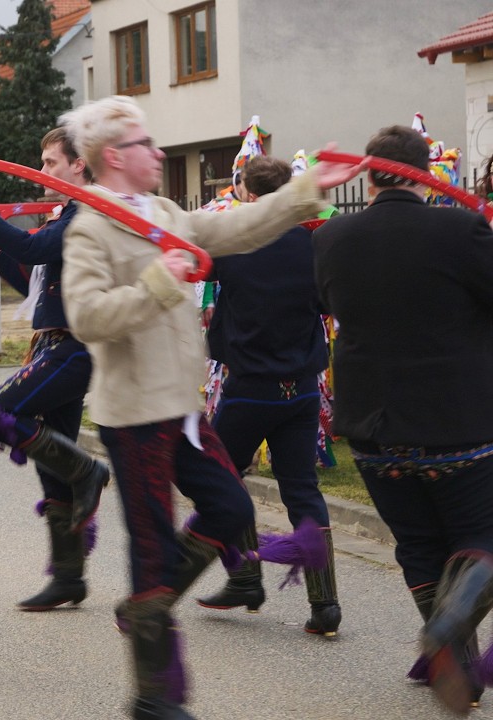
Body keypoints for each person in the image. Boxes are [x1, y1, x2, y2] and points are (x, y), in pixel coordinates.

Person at [61, 96, 363, 720]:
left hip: (184, 409)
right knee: (150, 546)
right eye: (147, 144)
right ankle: (153, 695)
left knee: (227, 507)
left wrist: (308, 190)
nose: (159, 152)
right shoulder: (90, 227)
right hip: (134, 415)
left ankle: (149, 600)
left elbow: (240, 229)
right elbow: (86, 317)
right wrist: (159, 280)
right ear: (115, 157)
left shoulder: (166, 212)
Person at [314, 125, 493, 715]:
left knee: (418, 546)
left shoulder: (334, 237)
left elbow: (327, 304)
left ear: (368, 174)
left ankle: (459, 670)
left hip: (373, 427)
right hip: (457, 422)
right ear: (429, 173)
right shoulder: (461, 228)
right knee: (481, 540)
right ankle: (448, 631)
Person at [195, 155, 340, 636]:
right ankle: (326, 605)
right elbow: (324, 303)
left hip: (250, 388)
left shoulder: (237, 243)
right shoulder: (311, 244)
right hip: (300, 389)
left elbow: (201, 273)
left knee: (215, 480)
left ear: (250, 198)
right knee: (301, 487)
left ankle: (244, 578)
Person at [0, 125, 104, 611]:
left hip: (74, 347)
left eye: (50, 162)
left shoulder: (87, 212)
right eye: (42, 161)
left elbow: (32, 248)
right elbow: (30, 276)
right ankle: (68, 577)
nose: (41, 170)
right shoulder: (67, 214)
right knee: (53, 467)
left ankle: (89, 469)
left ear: (78, 165)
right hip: (56, 344)